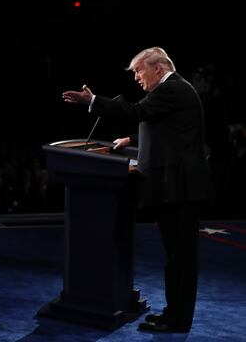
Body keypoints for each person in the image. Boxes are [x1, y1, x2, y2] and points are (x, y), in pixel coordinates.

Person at [62, 47, 211, 333]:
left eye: (139, 71)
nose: (137, 78)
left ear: (158, 68)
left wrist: (93, 100)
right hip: (177, 186)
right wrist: (131, 138)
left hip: (180, 188)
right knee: (176, 257)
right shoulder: (174, 91)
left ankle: (178, 320)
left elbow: (136, 111)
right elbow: (166, 128)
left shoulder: (173, 89)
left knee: (180, 258)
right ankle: (173, 313)